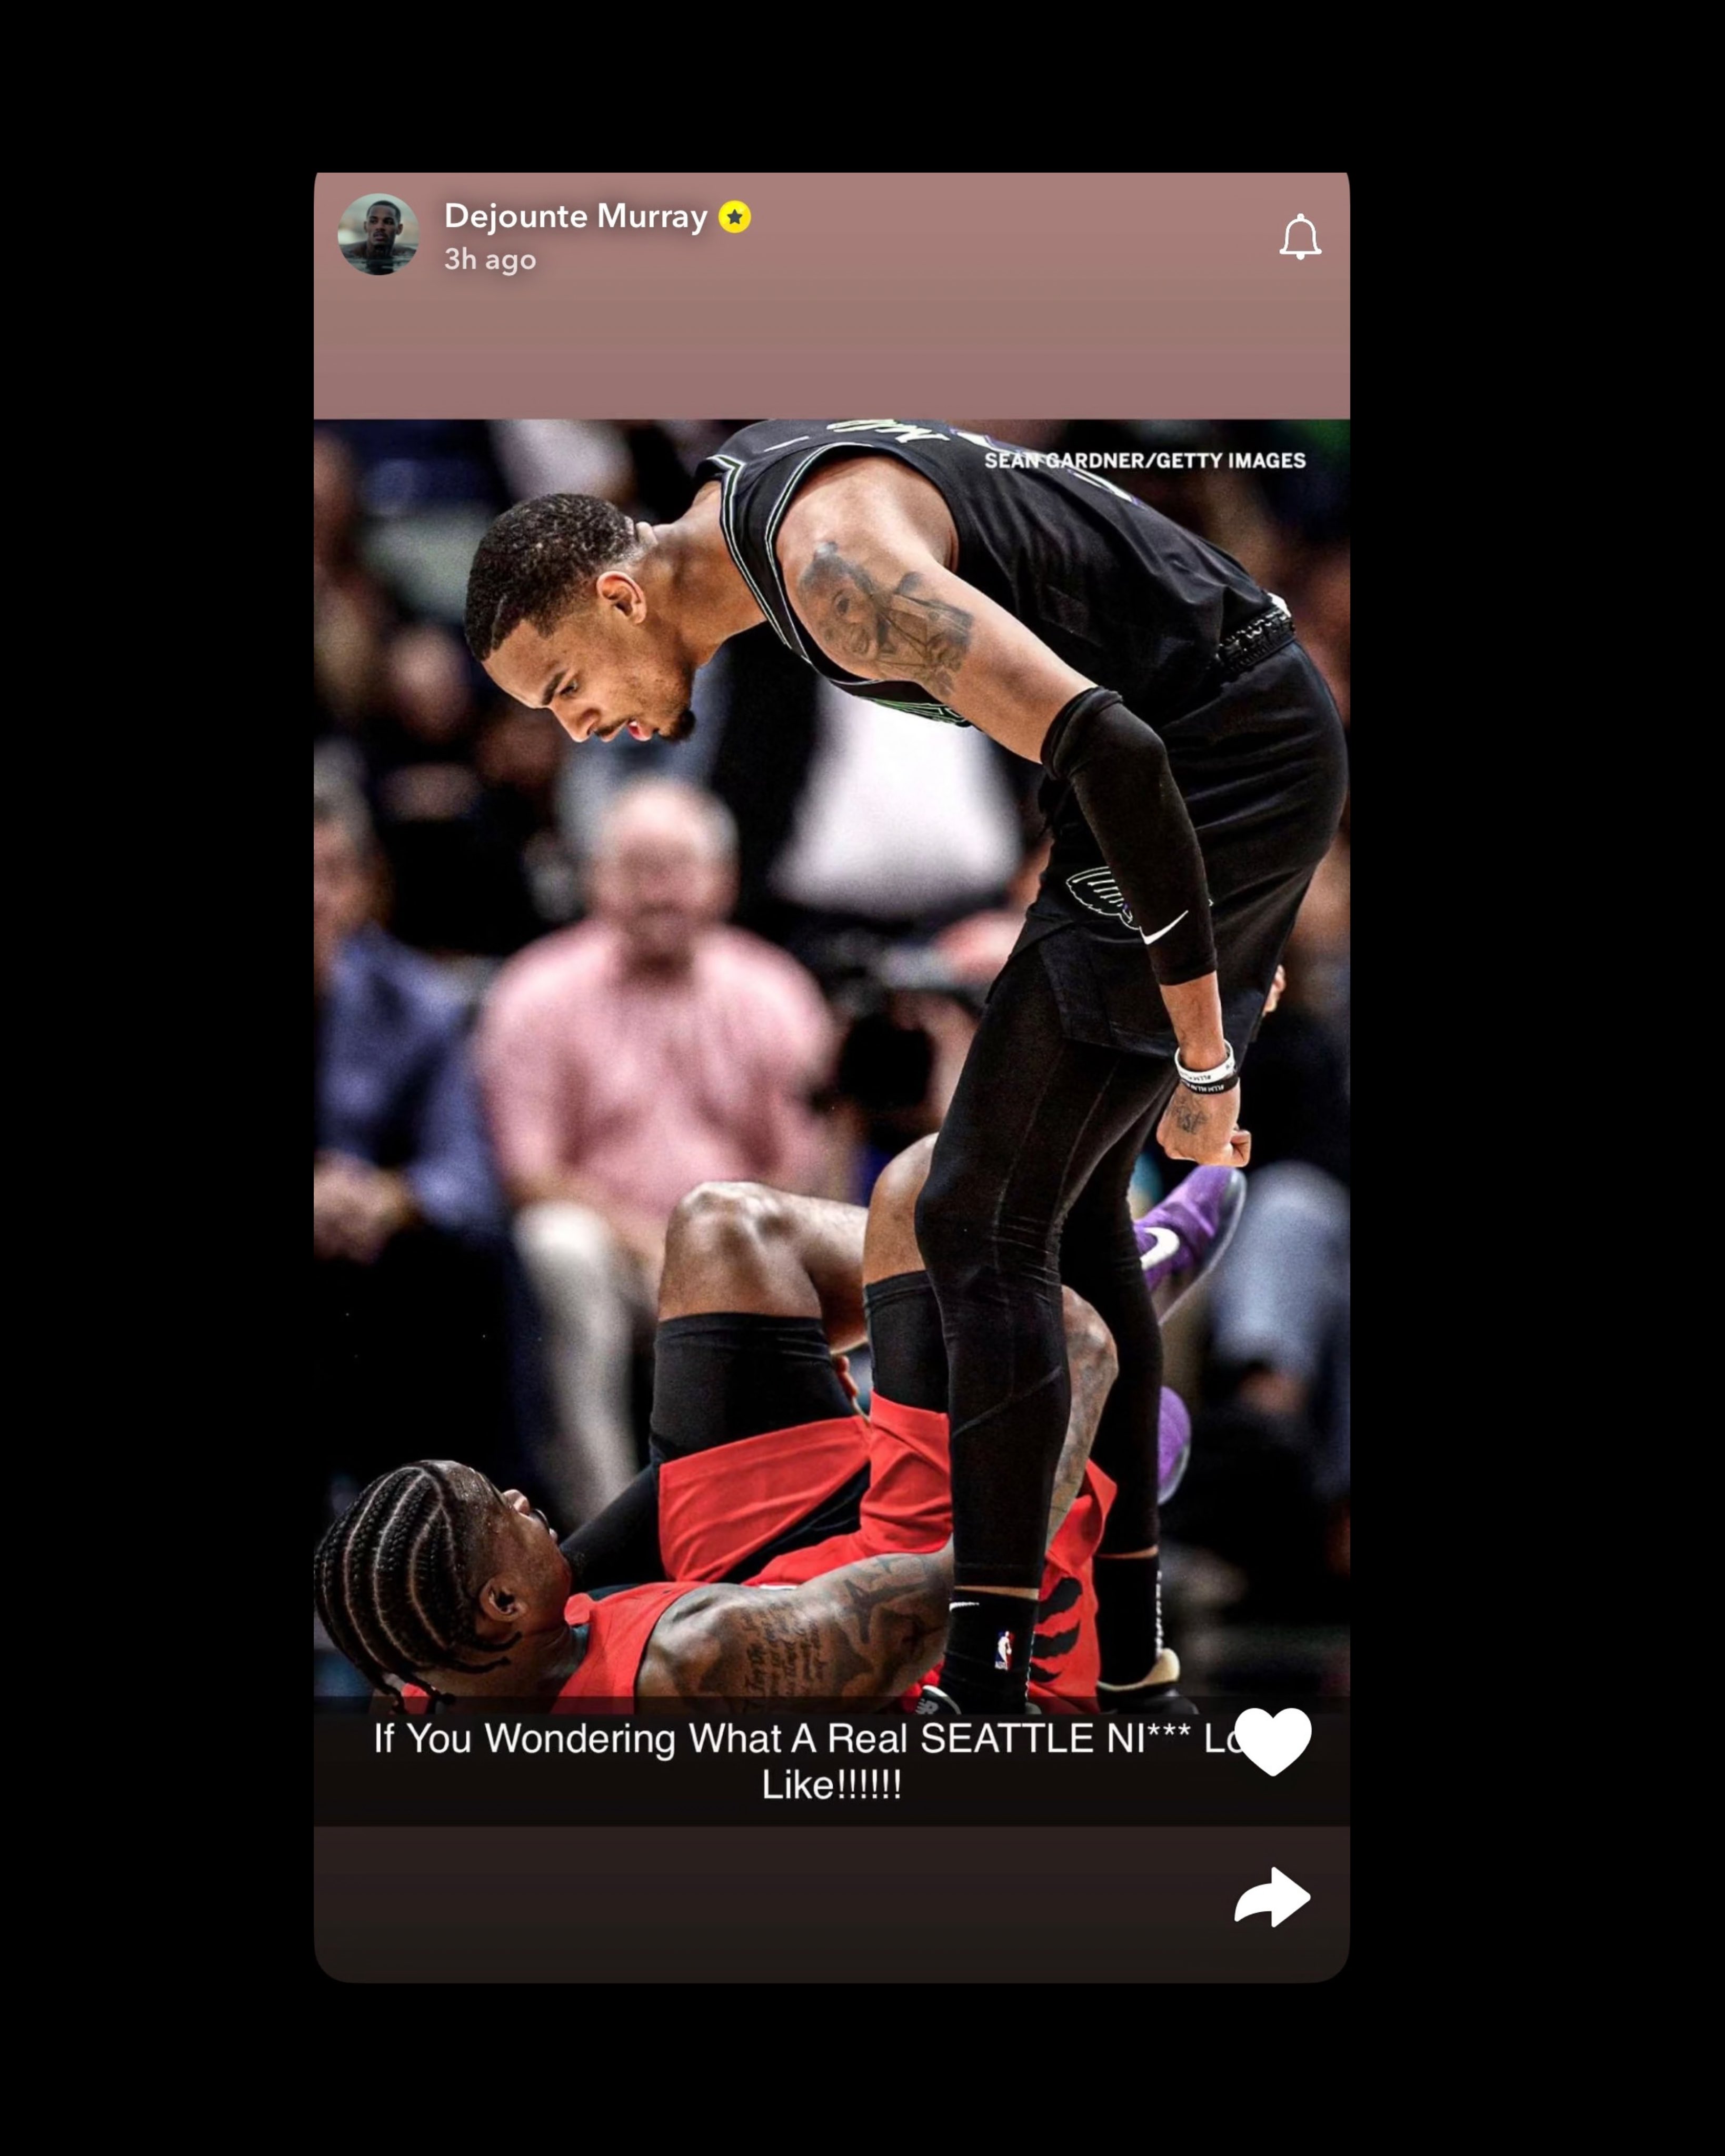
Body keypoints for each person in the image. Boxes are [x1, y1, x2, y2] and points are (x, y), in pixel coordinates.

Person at [461, 420, 1347, 1712]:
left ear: (619, 595)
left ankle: (984, 1672)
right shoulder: (749, 496)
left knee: (974, 1216)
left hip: (1202, 765)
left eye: (562, 686)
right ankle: (1129, 1651)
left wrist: (1210, 1055)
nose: (580, 726)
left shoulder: (828, 570)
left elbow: (1116, 746)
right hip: (1190, 755)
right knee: (1066, 1214)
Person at [314, 1141, 1243, 1710]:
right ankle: (1105, 1433)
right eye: (500, 1509)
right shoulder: (696, 1664)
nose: (521, 1495)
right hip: (959, 1637)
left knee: (722, 1227)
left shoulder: (436, 1668)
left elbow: (590, 1551)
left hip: (776, 1584)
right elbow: (973, 1582)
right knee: (928, 1190)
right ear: (502, 1606)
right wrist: (1073, 1402)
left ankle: (1072, 1329)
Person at [476, 778, 835, 1523]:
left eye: (676, 868)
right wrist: (652, 1245)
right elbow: (529, 1174)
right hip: (610, 1255)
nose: (658, 892)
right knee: (554, 1244)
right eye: (636, 869)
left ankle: (774, 1527)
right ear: (594, 879)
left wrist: (714, 1252)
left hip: (744, 1253)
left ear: (723, 880)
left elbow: (802, 1170)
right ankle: (601, 1525)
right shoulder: (535, 992)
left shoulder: (775, 992)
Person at [313, 774, 515, 1530]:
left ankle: (448, 1534)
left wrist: (386, 1199)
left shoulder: (416, 999)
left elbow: (466, 1179)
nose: (315, 897)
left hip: (373, 1265)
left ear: (367, 886)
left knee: (471, 1263)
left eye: (333, 873)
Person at [342, 198, 416, 275]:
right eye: (373, 221)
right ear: (365, 227)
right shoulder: (346, 255)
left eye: (388, 222)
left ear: (399, 229)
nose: (380, 227)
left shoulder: (411, 255)